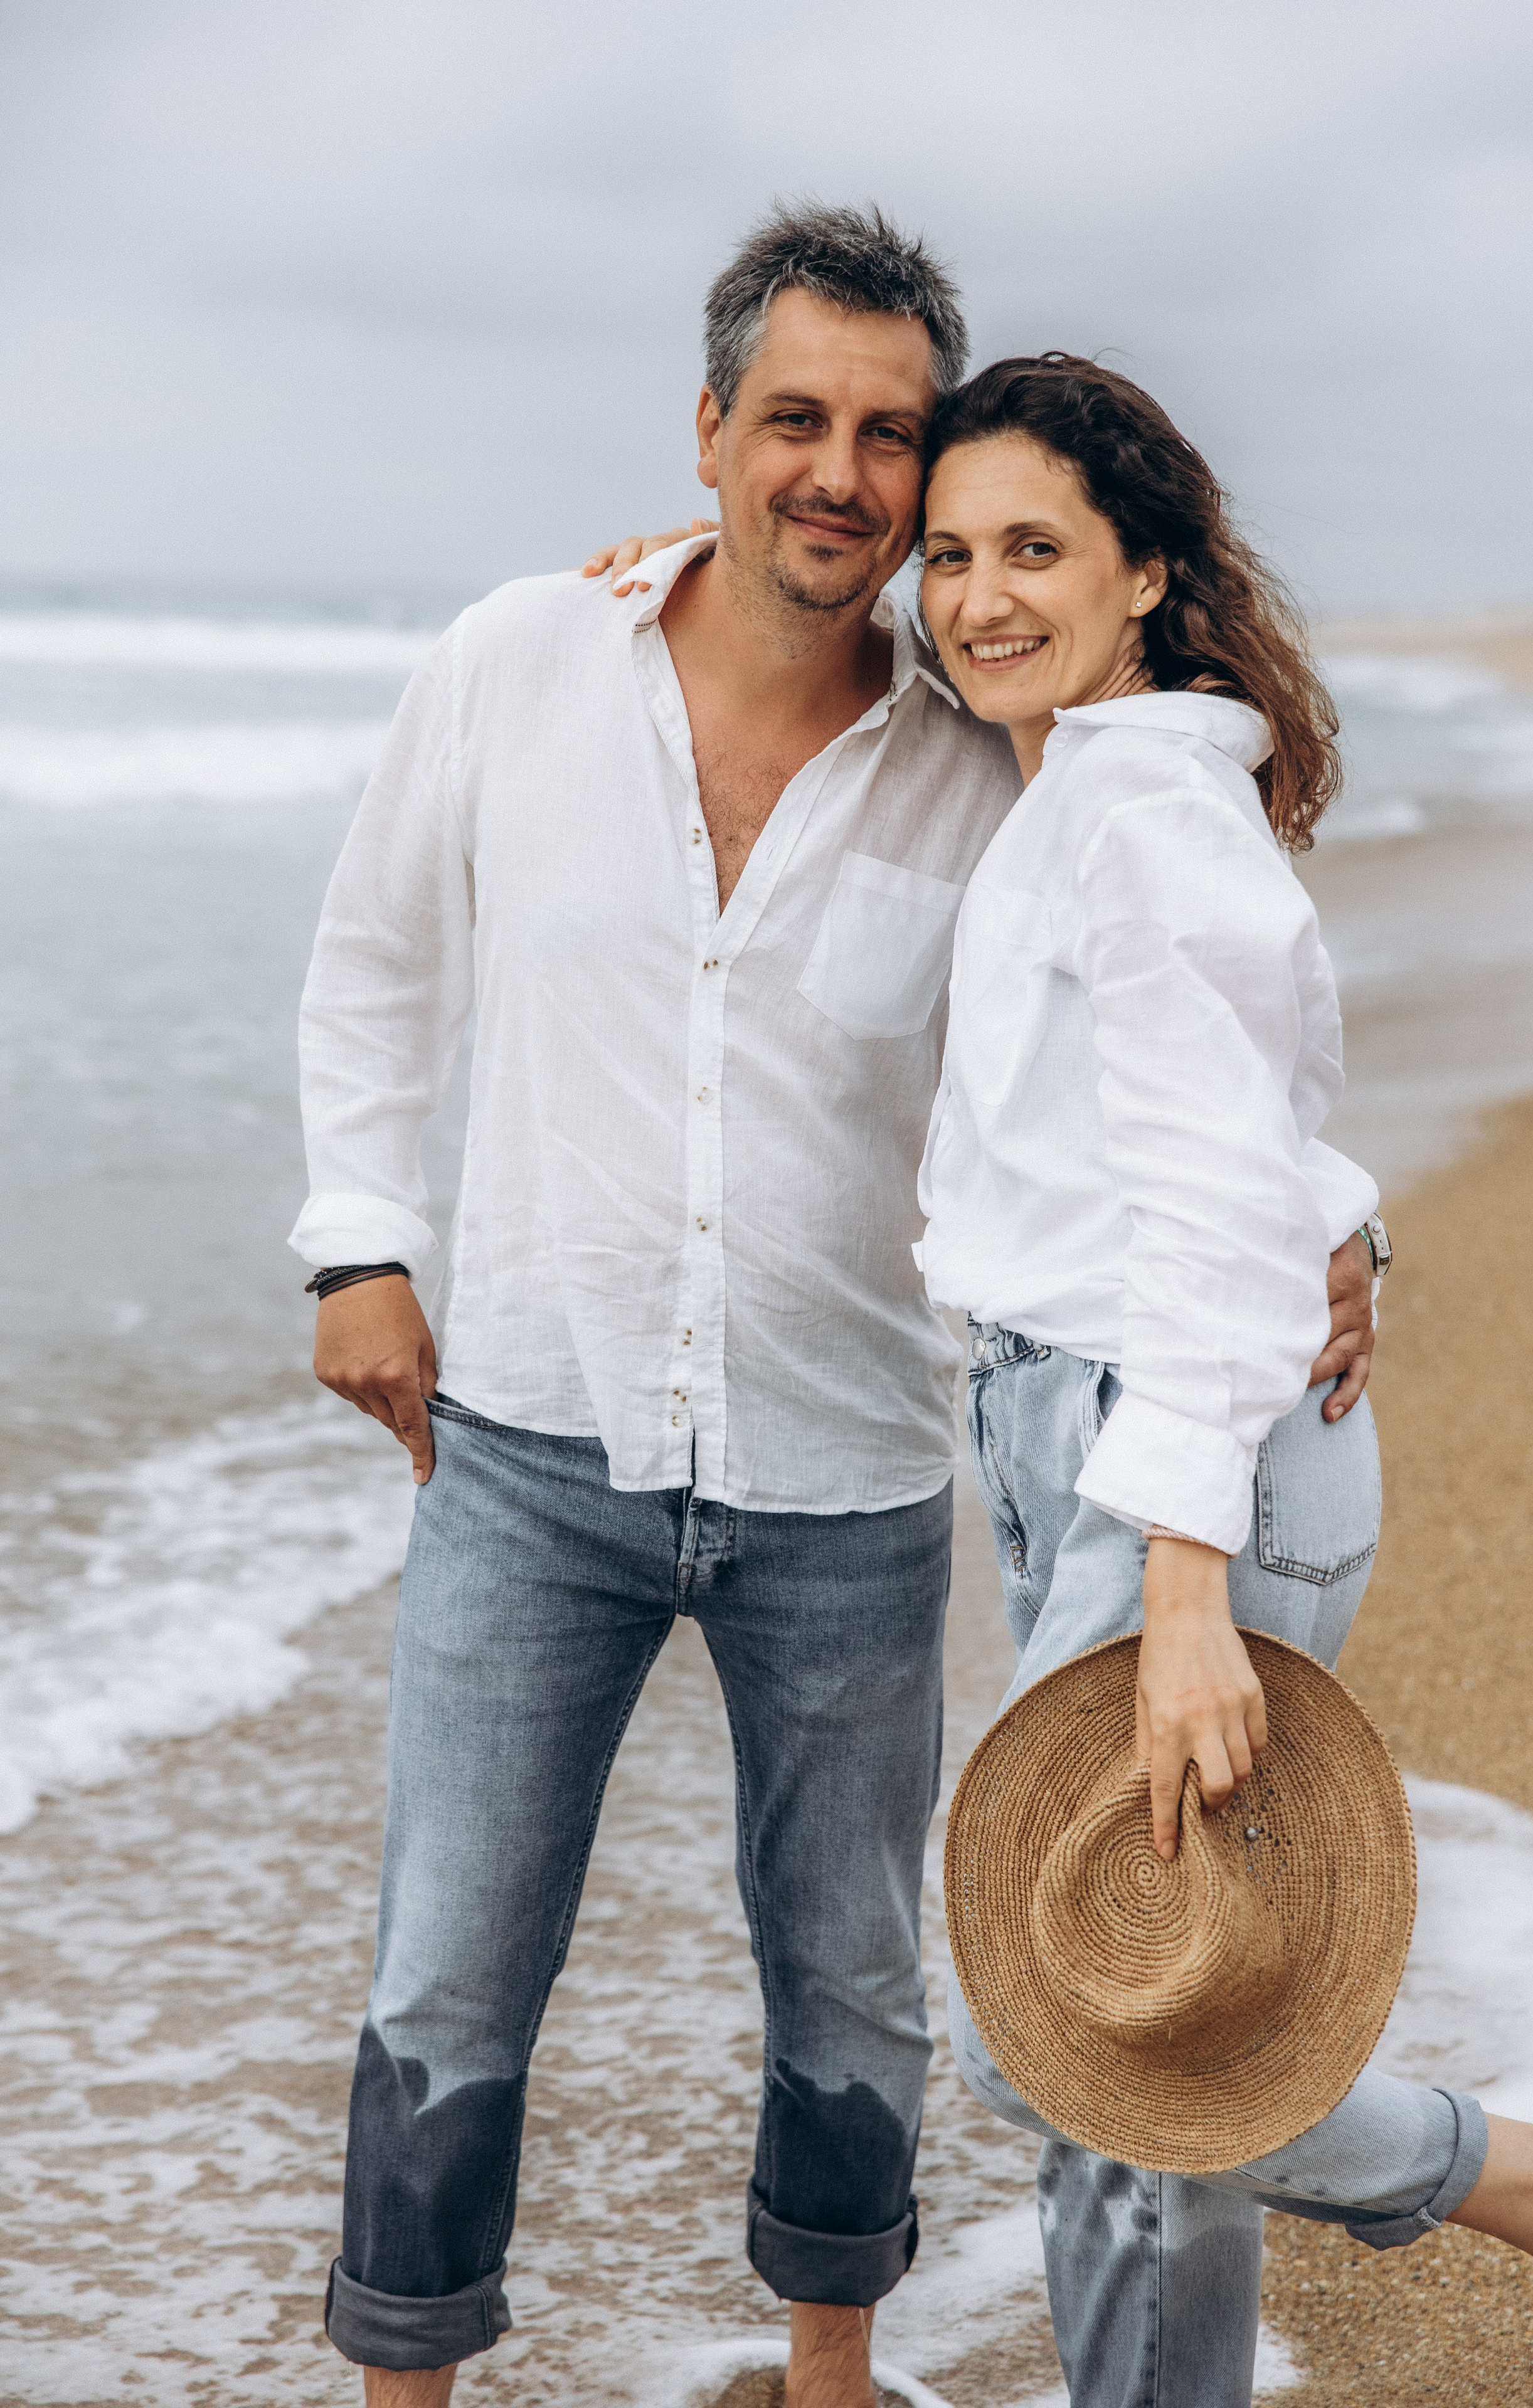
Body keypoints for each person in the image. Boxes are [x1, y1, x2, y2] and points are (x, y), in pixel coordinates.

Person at [290, 202, 1024, 2408]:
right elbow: (378, 959)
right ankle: (405, 2384)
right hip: (529, 1444)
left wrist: (1330, 1221)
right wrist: (358, 1243)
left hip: (851, 1468)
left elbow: (1152, 1012)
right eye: (793, 417)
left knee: (852, 1980)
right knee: (448, 1981)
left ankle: (828, 2377)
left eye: (891, 436)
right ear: (707, 431)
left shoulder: (989, 758)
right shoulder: (523, 655)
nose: (840, 473)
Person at [911, 351, 1533, 2405]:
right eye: (949, 555)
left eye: (1035, 548)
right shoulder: (1089, 780)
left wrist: (1186, 1573)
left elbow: (1217, 1189)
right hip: (1106, 1417)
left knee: (1067, 2012)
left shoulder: (1135, 807)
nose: (978, 597)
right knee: (1146, 2000)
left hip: (1174, 1450)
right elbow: (1258, 1124)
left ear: (1146, 575)